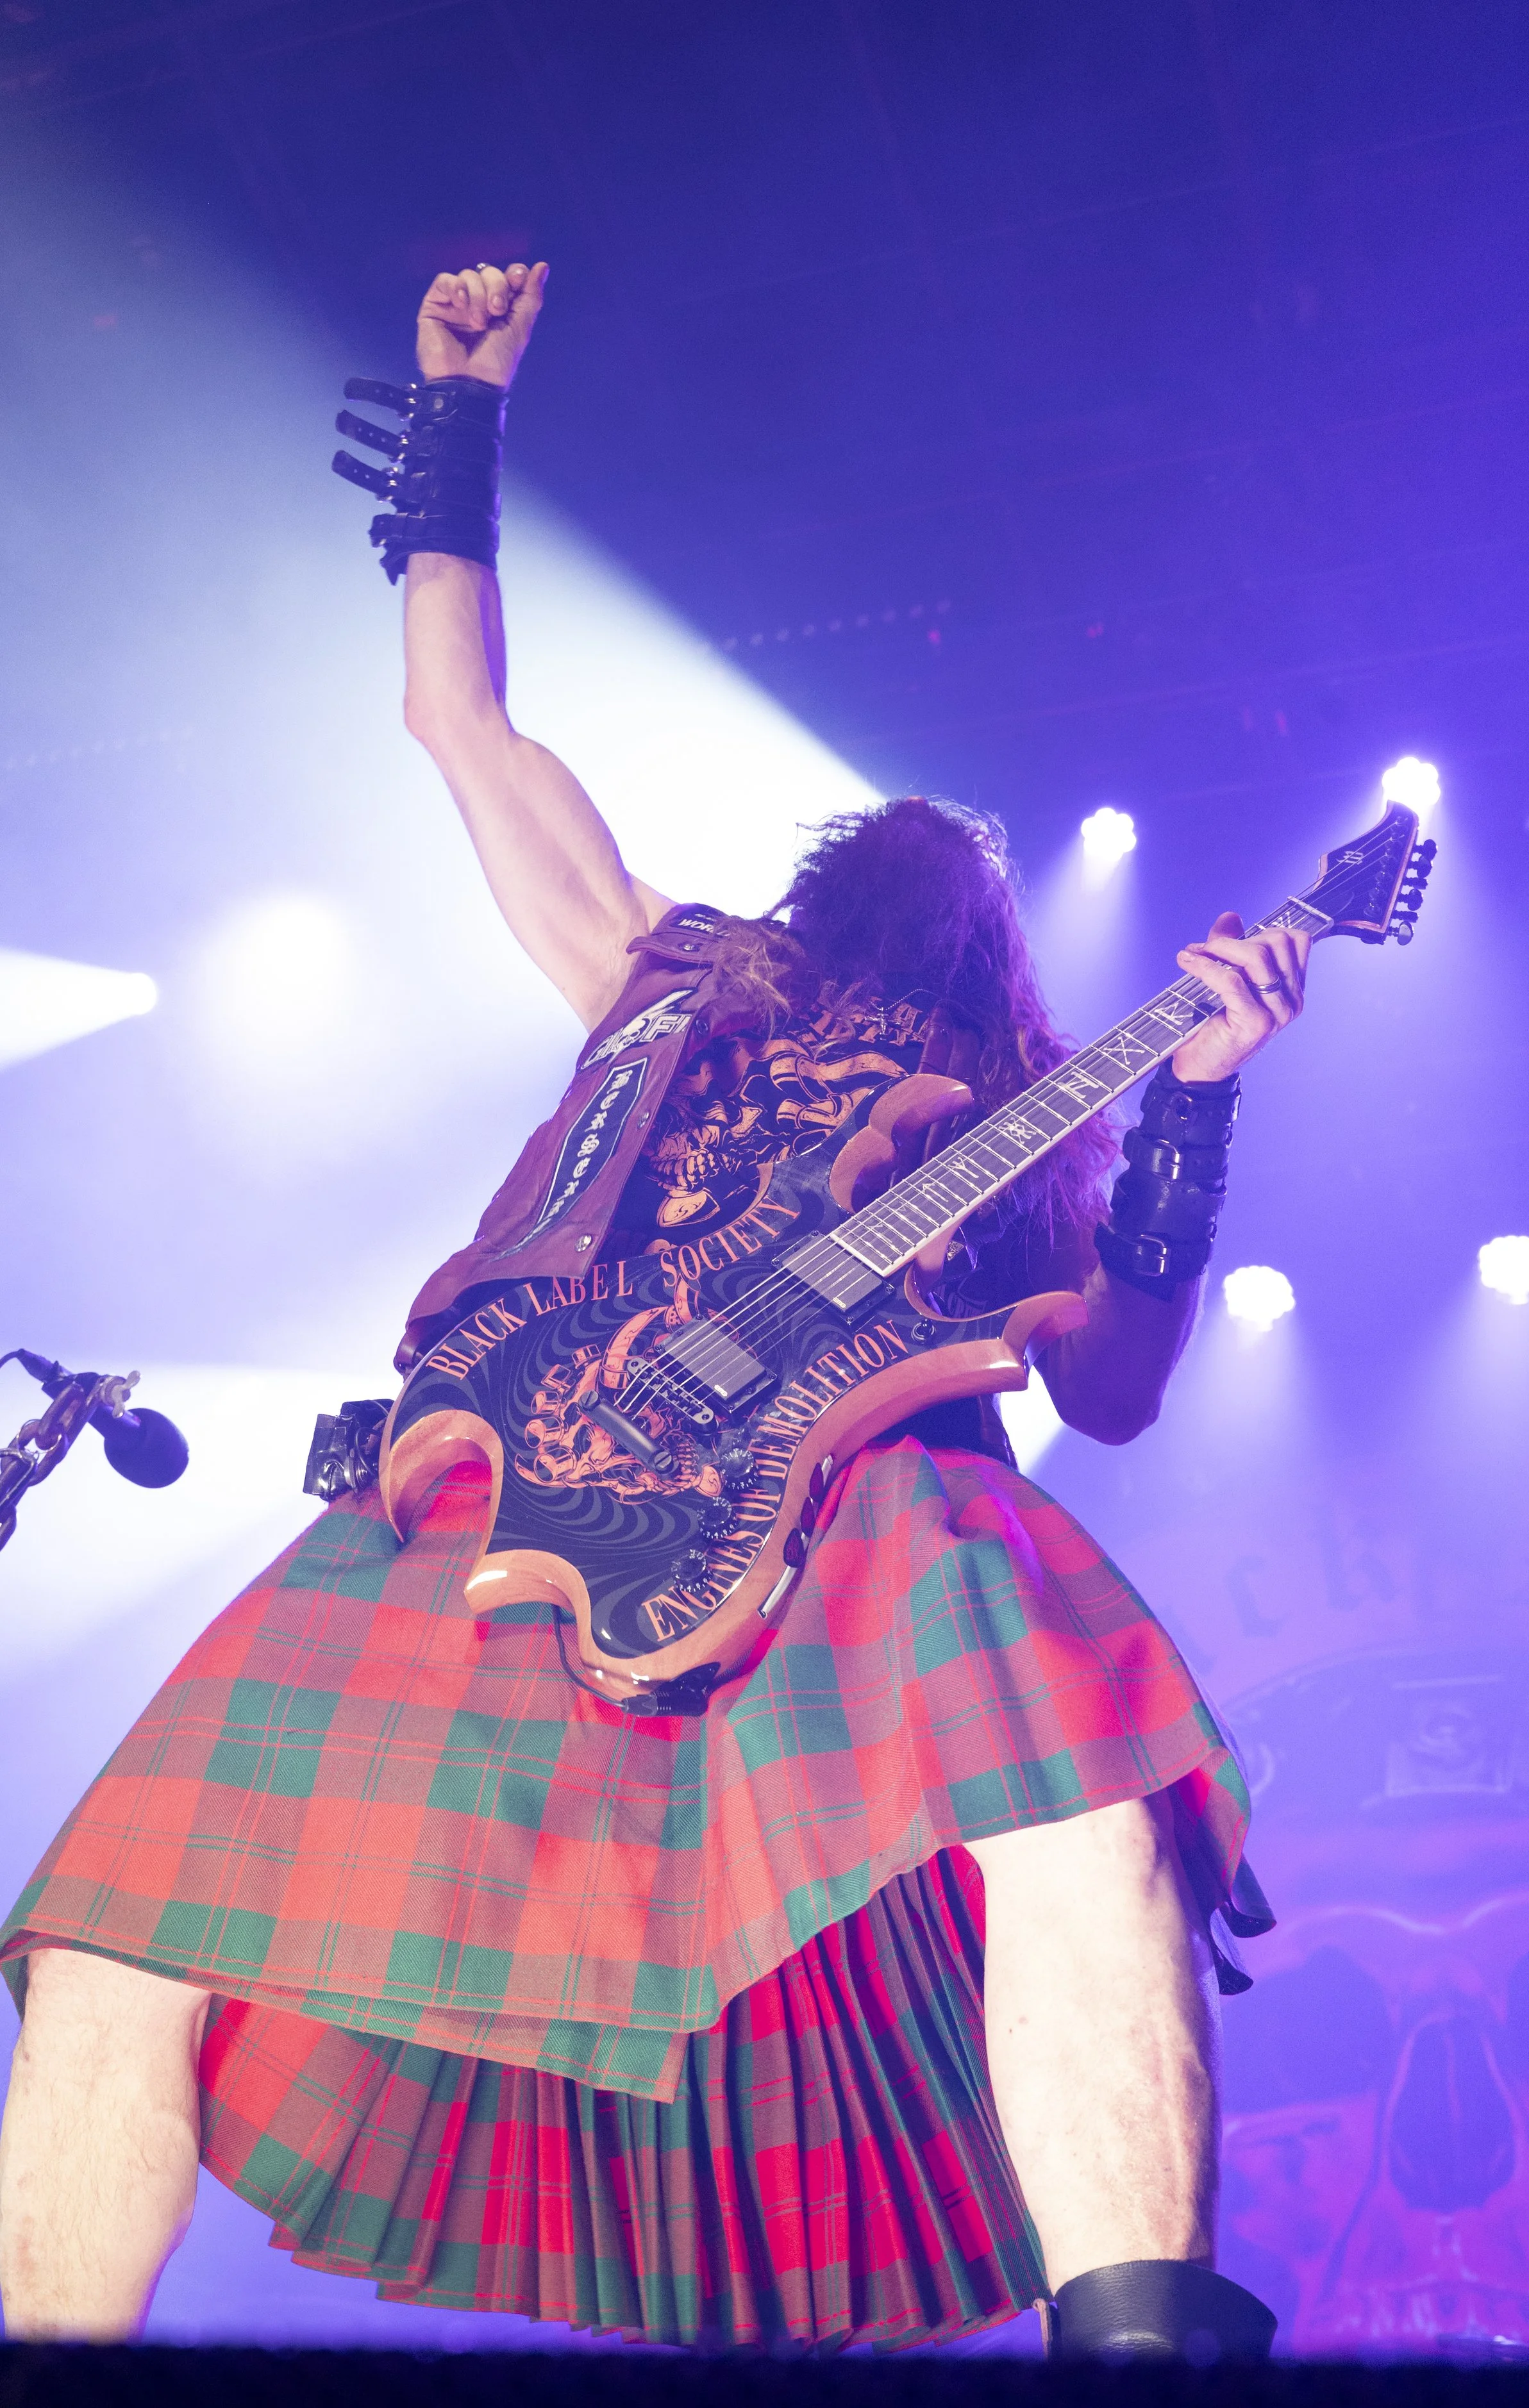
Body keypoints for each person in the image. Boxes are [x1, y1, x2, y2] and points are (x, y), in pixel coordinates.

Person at [0, 260, 1310, 2357]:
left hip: (868, 1513)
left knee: (1081, 1809)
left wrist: (1193, 1113)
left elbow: (1128, 1387)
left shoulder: (1027, 1132)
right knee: (120, 1931)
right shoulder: (660, 964)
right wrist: (458, 424)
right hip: (496, 1500)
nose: (929, 857)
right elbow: (459, 720)